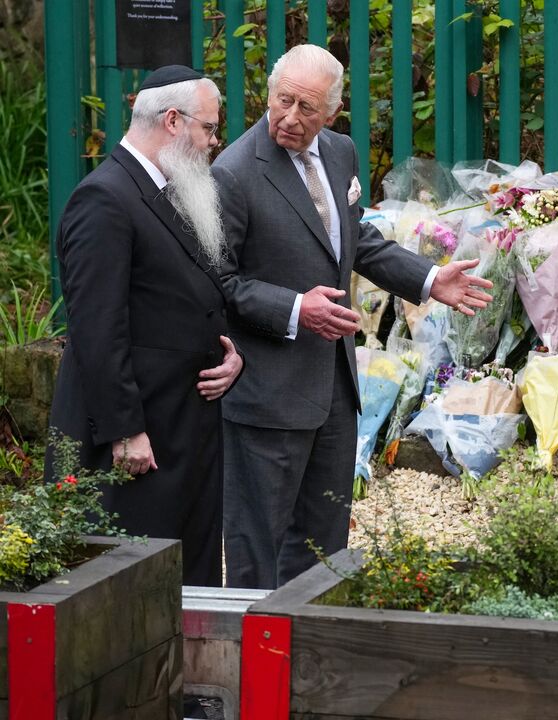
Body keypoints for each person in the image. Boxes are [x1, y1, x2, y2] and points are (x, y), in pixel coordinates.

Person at [213, 44, 493, 589]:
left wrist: (431, 280)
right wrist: (296, 308)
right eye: (283, 100)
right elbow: (221, 284)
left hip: (336, 390)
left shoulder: (339, 152)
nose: (291, 118)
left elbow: (353, 240)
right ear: (269, 94)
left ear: (333, 114)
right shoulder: (234, 172)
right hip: (267, 394)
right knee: (257, 547)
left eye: (307, 108)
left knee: (325, 547)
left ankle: (314, 650)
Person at [47, 65, 243, 587]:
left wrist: (231, 357)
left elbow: (193, 296)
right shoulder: (105, 198)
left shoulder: (169, 190)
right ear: (174, 121)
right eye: (208, 129)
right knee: (136, 590)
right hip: (139, 440)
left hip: (184, 425)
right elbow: (96, 327)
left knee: (188, 580)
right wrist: (125, 430)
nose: (212, 142)